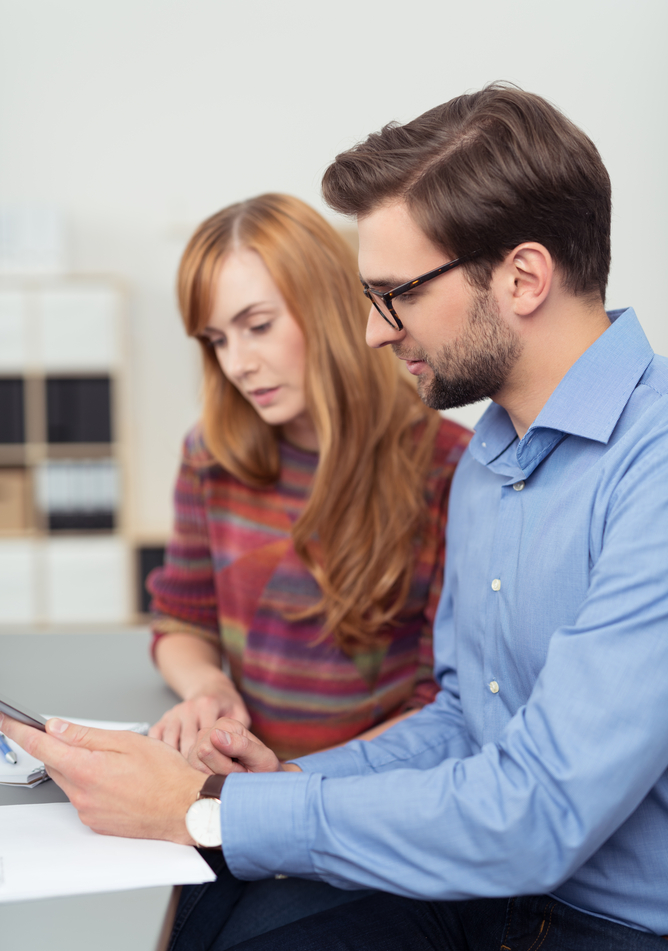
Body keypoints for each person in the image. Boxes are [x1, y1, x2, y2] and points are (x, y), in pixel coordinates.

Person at [4, 84, 668, 951]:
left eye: (396, 294)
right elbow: (466, 719)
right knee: (210, 919)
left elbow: (535, 815)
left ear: (523, 277)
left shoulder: (644, 473)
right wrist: (274, 778)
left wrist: (212, 809)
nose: (372, 332)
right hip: (487, 889)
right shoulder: (497, 457)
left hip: (599, 919)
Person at [146, 193, 470, 763]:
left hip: (364, 799)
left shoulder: (448, 467)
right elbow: (181, 619)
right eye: (217, 340)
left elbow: (441, 701)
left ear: (329, 309)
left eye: (259, 326)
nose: (237, 363)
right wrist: (207, 685)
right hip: (244, 784)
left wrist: (288, 784)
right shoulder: (211, 454)